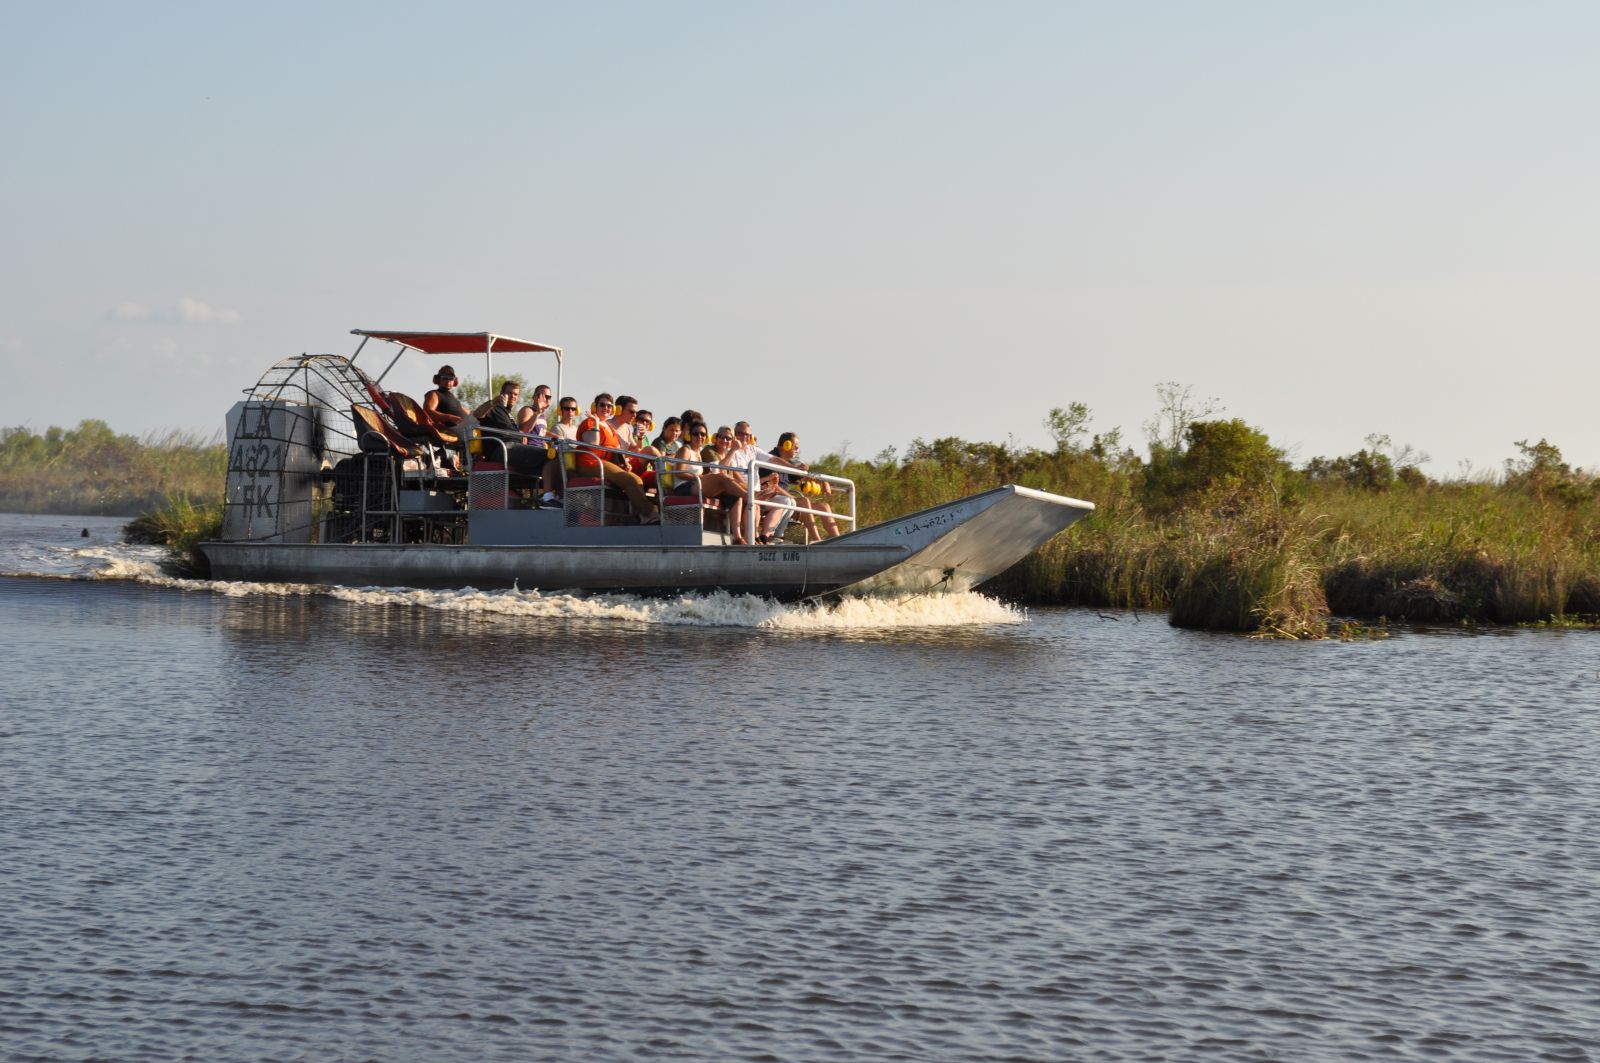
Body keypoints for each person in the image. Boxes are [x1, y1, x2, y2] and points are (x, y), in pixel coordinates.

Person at [575, 393, 657, 520]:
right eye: (602, 405)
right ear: (594, 406)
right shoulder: (590, 422)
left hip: (605, 463)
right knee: (630, 480)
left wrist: (624, 463)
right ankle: (649, 513)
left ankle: (640, 516)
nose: (606, 408)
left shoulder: (609, 427)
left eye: (609, 406)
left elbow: (616, 451)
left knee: (637, 480)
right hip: (589, 463)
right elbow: (593, 445)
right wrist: (596, 422)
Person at [723, 422, 797, 543]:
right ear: (735, 435)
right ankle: (751, 538)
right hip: (743, 491)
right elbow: (732, 474)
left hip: (756, 491)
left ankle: (765, 537)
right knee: (755, 503)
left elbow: (774, 459)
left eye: (747, 435)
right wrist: (754, 491)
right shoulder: (731, 451)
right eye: (740, 434)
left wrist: (795, 468)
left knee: (785, 502)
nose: (744, 437)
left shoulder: (753, 450)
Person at [678, 422, 749, 545]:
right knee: (721, 477)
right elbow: (679, 472)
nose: (700, 436)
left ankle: (738, 537)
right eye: (696, 434)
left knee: (734, 495)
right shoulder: (686, 449)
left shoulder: (698, 453)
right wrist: (699, 477)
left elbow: (735, 477)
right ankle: (748, 496)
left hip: (697, 485)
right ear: (690, 435)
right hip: (684, 487)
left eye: (703, 434)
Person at [770, 431, 841, 539]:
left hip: (789, 502)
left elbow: (804, 477)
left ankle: (839, 541)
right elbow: (771, 486)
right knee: (804, 501)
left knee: (824, 507)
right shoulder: (770, 460)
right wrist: (792, 498)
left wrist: (823, 482)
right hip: (773, 501)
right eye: (796, 447)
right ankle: (817, 541)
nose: (798, 451)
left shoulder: (789, 464)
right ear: (786, 445)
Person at [539, 397, 582, 504]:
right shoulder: (557, 427)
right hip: (565, 464)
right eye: (567, 408)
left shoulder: (577, 429)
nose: (570, 411)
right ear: (560, 410)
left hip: (577, 461)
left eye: (573, 409)